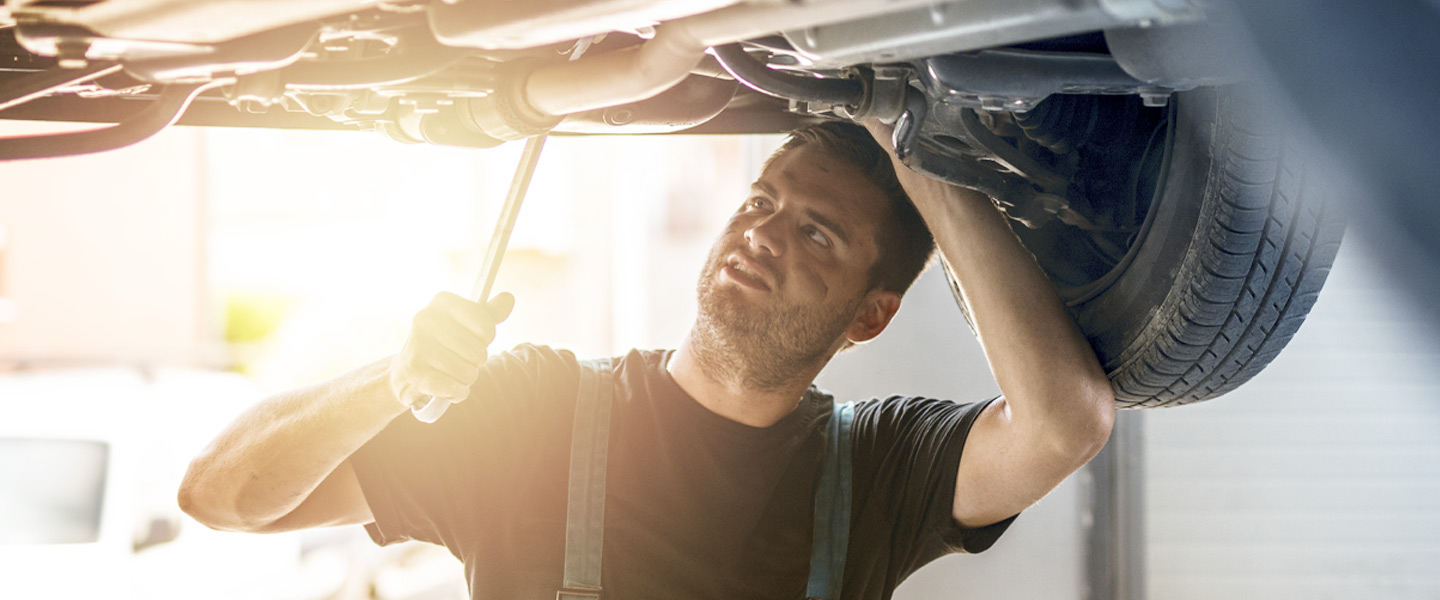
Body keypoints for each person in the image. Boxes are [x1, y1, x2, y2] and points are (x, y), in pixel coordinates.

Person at [178, 120, 1115, 599]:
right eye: (760, 200)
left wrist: (915, 153)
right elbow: (220, 497)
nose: (762, 234)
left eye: (815, 233)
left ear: (873, 316)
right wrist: (396, 377)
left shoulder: (876, 470)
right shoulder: (532, 414)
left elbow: (1066, 422)